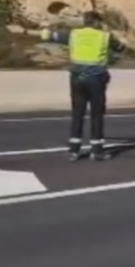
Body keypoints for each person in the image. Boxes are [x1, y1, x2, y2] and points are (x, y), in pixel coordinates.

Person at [39, 11, 127, 160]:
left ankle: (74, 151)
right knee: (96, 114)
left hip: (77, 79)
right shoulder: (104, 36)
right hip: (96, 79)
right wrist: (121, 40)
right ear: (97, 22)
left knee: (77, 113)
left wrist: (46, 29)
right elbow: (120, 48)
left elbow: (48, 36)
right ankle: (97, 151)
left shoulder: (74, 34)